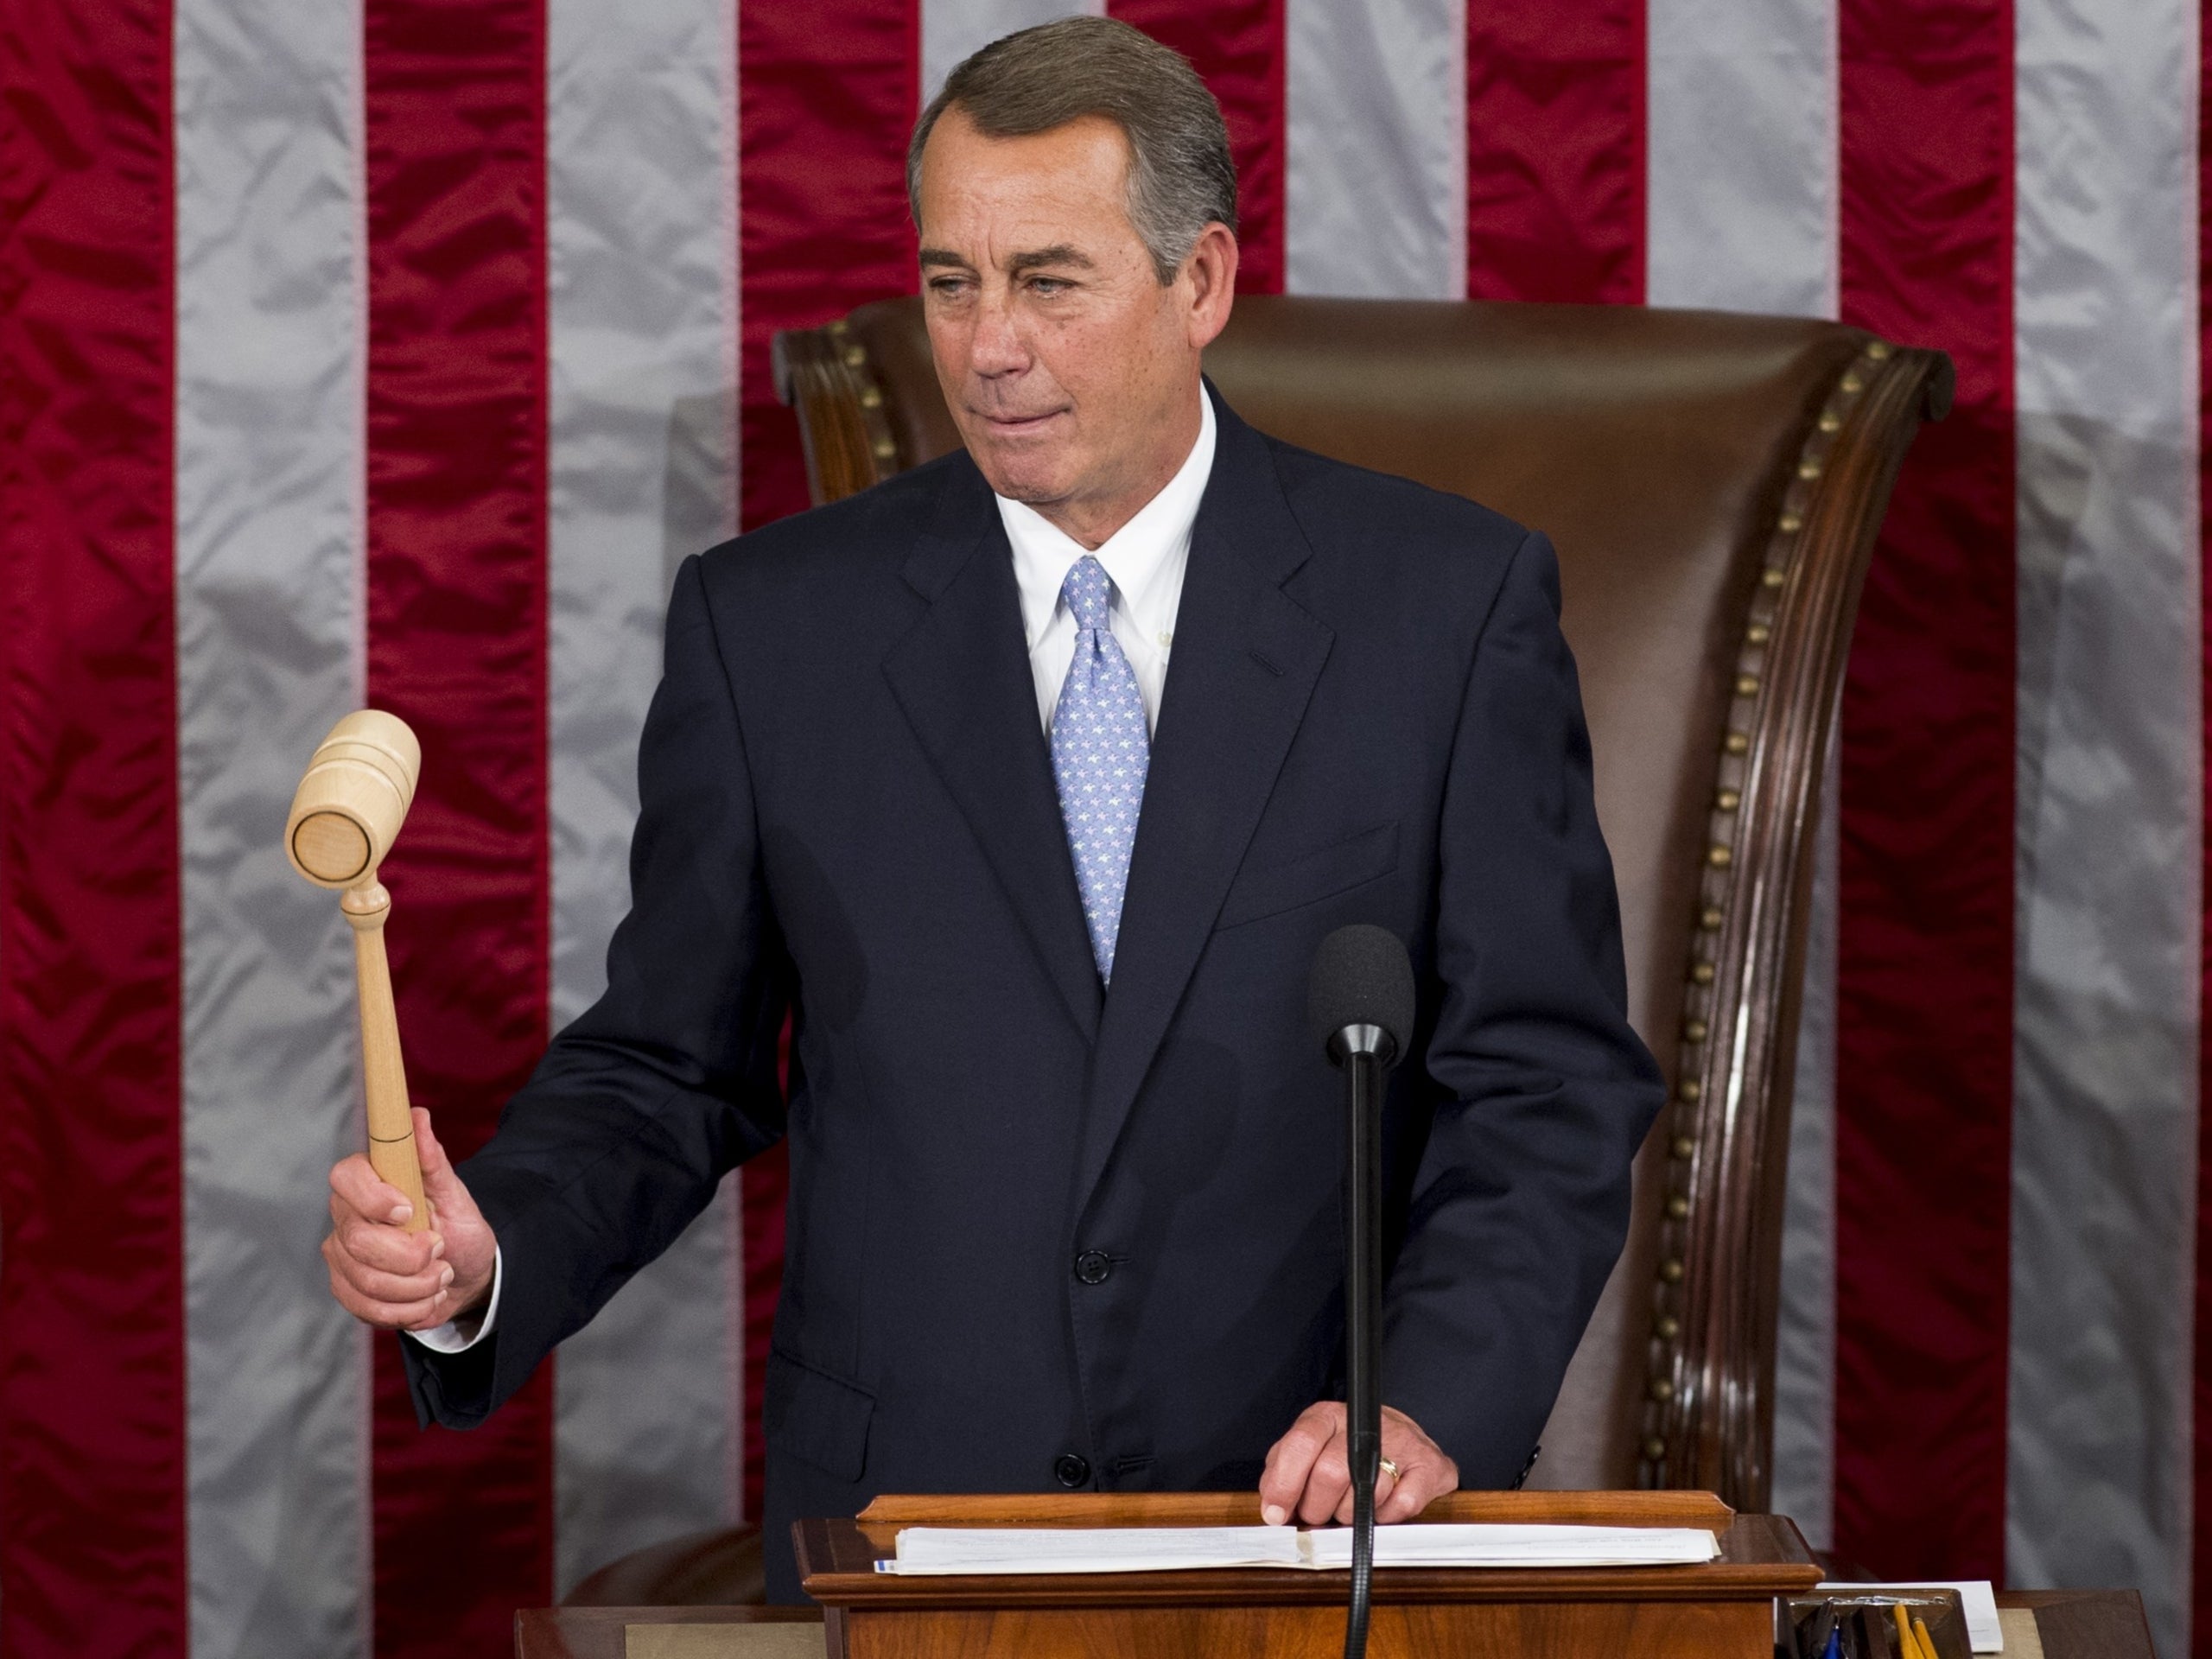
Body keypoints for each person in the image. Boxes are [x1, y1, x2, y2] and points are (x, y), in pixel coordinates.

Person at [321, 16, 1663, 1605]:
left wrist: (1426, 1401)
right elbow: (670, 1065)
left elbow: (1548, 1087)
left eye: (1047, 280)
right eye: (951, 283)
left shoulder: (1440, 611)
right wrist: (491, 1253)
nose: (986, 348)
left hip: (1299, 1531)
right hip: (904, 1535)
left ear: (1202, 284)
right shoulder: (775, 632)